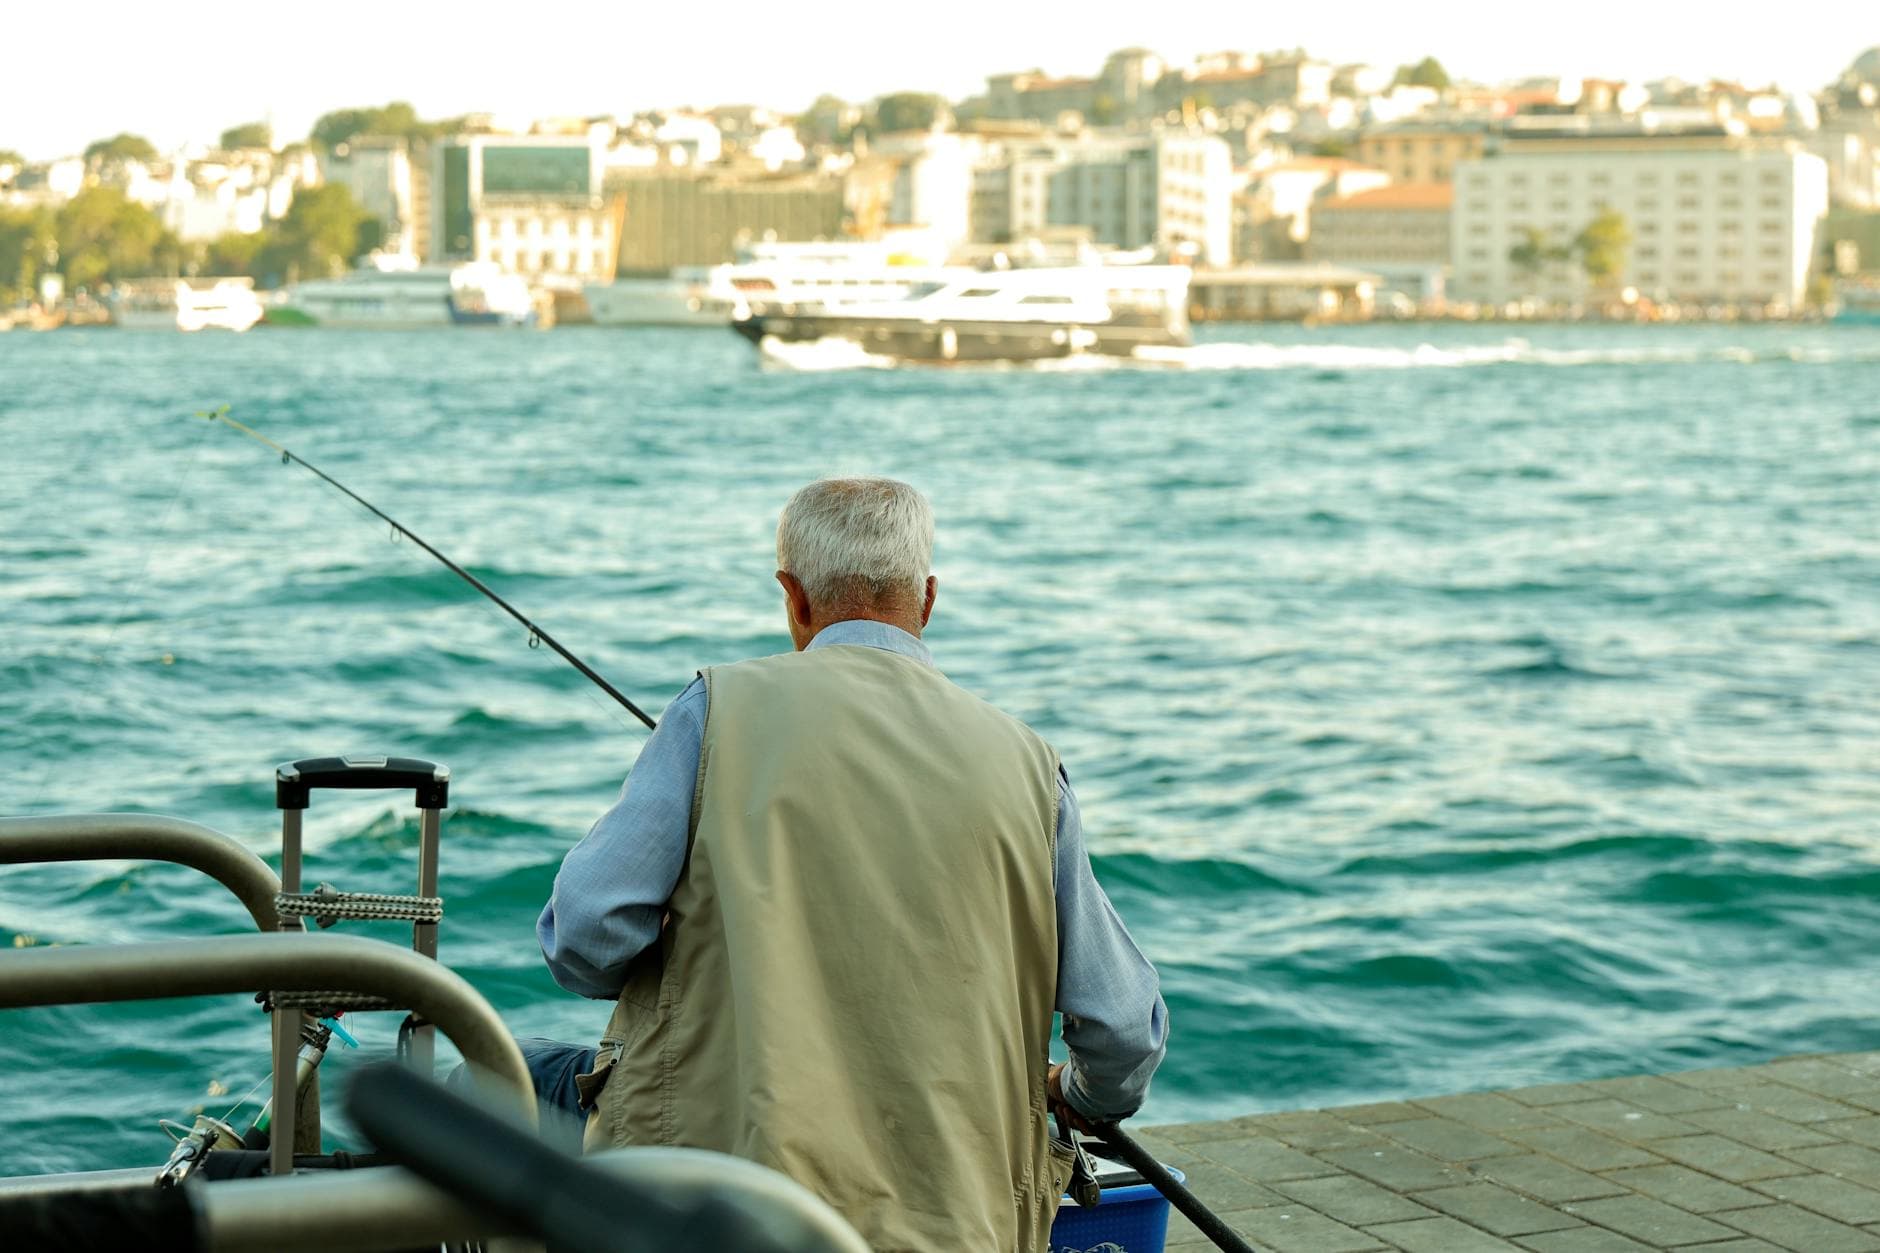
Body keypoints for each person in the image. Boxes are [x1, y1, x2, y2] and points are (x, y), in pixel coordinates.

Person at [534, 477, 1167, 1251]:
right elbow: (1124, 1030)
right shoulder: (1032, 765)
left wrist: (680, 937)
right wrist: (1077, 1092)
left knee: (506, 1074)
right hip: (961, 1218)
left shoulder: (712, 709)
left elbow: (585, 936)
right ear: (927, 599)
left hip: (725, 1201)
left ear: (794, 599)